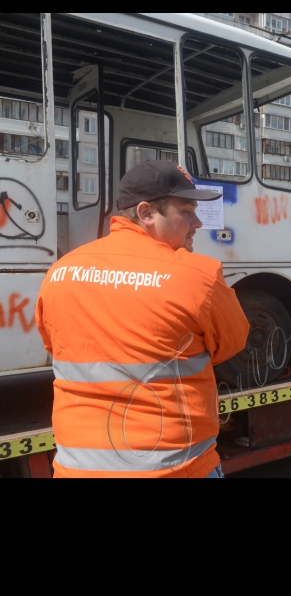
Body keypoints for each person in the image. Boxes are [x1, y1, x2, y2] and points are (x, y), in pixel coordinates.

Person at [36, 161, 250, 479]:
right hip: (177, 468)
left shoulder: (61, 271)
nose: (197, 223)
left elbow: (56, 344)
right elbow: (232, 342)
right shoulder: (198, 276)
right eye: (186, 212)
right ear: (147, 213)